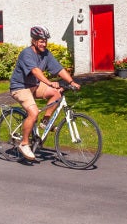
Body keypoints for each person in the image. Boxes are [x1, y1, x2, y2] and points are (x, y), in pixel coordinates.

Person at [9, 26, 80, 161]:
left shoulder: (46, 54)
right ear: (34, 41)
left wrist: (71, 82)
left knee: (57, 94)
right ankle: (24, 144)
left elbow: (59, 69)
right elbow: (35, 71)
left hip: (34, 85)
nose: (44, 44)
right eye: (41, 41)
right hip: (20, 87)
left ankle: (45, 122)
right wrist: (49, 83)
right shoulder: (26, 54)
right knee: (34, 113)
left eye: (45, 41)